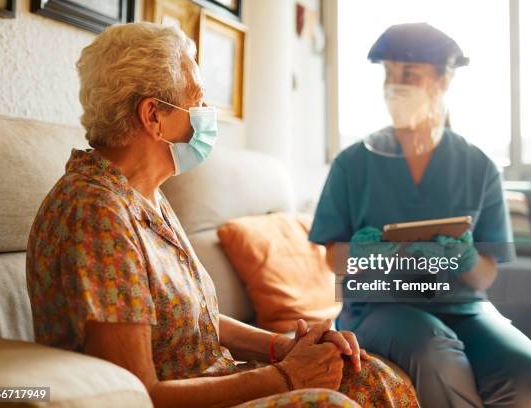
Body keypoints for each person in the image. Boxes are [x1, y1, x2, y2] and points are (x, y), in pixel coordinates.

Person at [26, 22, 419, 408]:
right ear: (153, 116)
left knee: (372, 375)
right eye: (196, 101)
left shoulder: (146, 195)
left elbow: (192, 318)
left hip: (220, 378)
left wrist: (284, 347)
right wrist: (286, 376)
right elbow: (139, 394)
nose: (206, 113)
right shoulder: (96, 212)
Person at [309, 22, 531, 408]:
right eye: (389, 75)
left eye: (408, 75)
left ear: (443, 81)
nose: (395, 86)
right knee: (436, 355)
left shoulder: (480, 167)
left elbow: (486, 275)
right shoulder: (352, 164)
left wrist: (466, 257)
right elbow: (332, 259)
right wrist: (361, 253)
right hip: (377, 307)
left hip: (464, 307)